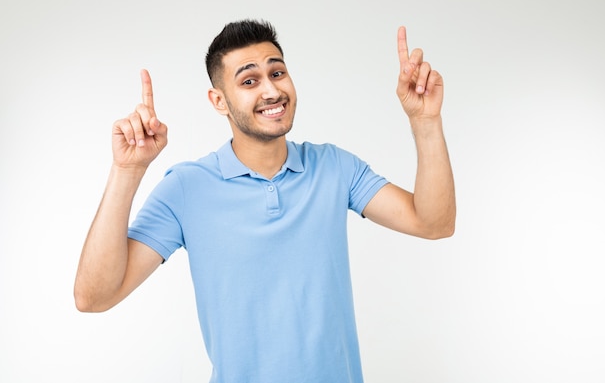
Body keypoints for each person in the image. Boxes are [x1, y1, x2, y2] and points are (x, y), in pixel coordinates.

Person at [74, 19, 456, 383]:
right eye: (249, 80)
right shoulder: (186, 188)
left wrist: (425, 121)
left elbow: (434, 223)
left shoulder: (334, 167)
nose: (271, 91)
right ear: (219, 101)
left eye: (277, 73)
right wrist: (128, 171)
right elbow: (94, 297)